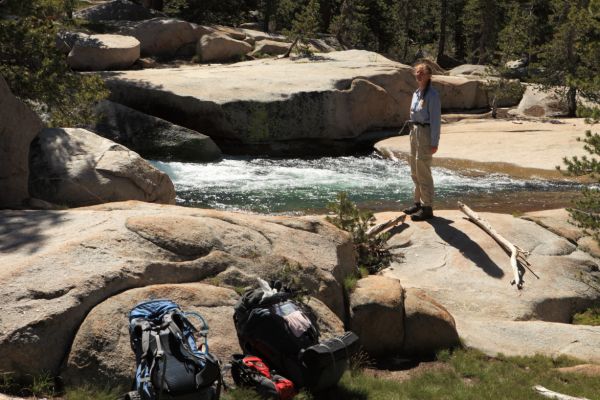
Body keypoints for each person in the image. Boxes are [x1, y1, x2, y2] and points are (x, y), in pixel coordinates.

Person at [403, 63, 441, 221]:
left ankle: (427, 207)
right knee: (414, 168)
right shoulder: (416, 93)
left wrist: (434, 142)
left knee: (423, 168)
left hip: (425, 133)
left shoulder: (432, 95)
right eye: (417, 72)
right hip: (415, 132)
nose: (418, 75)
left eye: (421, 73)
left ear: (428, 76)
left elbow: (436, 121)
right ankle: (417, 203)